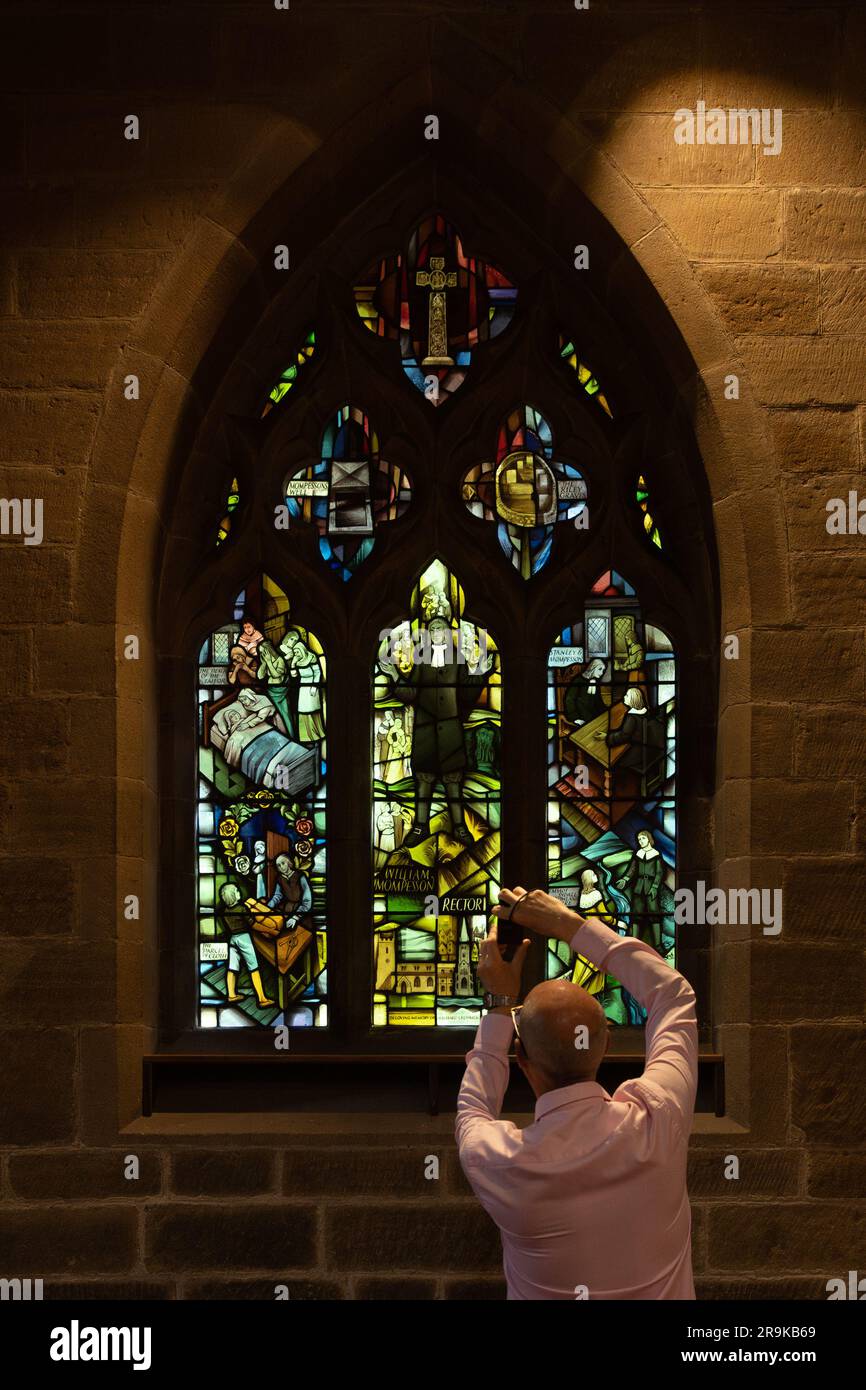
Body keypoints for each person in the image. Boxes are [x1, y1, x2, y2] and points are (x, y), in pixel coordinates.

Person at [456, 884, 697, 1300]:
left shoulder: (498, 1161)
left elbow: (473, 1108)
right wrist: (568, 924)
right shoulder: (658, 1118)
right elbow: (672, 995)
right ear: (604, 1046)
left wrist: (499, 1002)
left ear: (522, 1061)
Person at [217, 882, 275, 1008]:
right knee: (254, 968)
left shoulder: (225, 910)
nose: (239, 892)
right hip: (244, 939)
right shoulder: (242, 909)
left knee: (232, 968)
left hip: (233, 939)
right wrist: (270, 930)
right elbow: (253, 925)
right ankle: (262, 999)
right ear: (233, 895)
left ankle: (231, 995)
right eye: (237, 891)